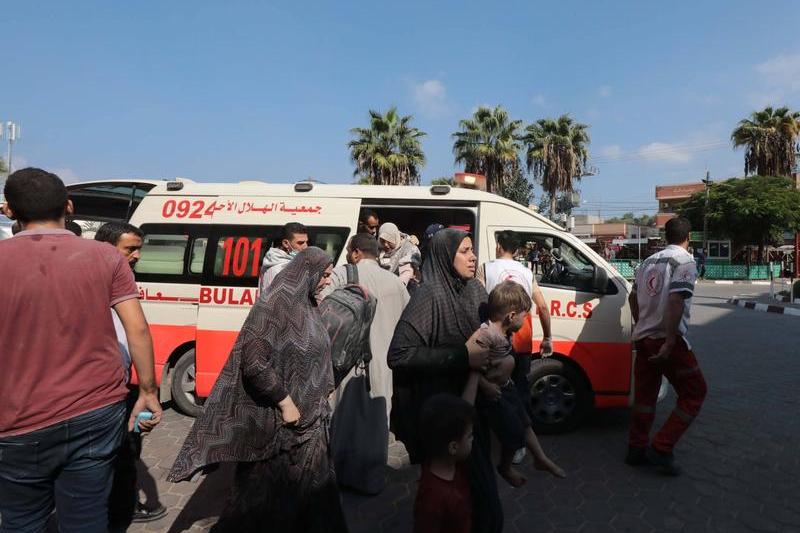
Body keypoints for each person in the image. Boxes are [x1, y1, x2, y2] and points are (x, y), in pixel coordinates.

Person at [0, 168, 162, 533]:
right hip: (95, 412)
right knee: (87, 518)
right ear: (69, 206)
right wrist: (149, 391)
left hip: (16, 420)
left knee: (21, 520)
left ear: (9, 210)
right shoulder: (106, 258)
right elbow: (137, 327)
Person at [168, 247, 347, 533]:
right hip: (279, 429)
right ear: (307, 273)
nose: (327, 281)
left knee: (315, 495)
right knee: (261, 502)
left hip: (311, 425)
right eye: (324, 275)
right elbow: (254, 362)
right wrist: (285, 402)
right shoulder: (274, 306)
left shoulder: (308, 304)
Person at [388, 228, 502, 533]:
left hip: (474, 410)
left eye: (472, 250)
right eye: (465, 251)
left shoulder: (476, 290)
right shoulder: (429, 296)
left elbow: (487, 337)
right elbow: (398, 354)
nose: (473, 256)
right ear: (443, 256)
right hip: (442, 420)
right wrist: (461, 357)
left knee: (483, 500)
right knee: (453, 505)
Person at [95, 222, 168, 527]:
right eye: (130, 249)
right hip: (103, 390)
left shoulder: (121, 280)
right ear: (106, 248)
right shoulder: (93, 282)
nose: (137, 255)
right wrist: (149, 393)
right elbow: (137, 331)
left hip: (121, 383)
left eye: (139, 248)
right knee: (121, 455)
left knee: (127, 450)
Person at [626, 216, 707, 476]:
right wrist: (671, 340)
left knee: (645, 398)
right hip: (667, 342)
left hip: (645, 339)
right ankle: (662, 447)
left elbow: (631, 296)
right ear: (689, 236)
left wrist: (641, 325)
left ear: (665, 236)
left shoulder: (648, 261)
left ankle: (636, 449)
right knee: (695, 393)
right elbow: (675, 301)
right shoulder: (685, 261)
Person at [474, 281, 565, 486]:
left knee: (525, 421)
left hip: (508, 388)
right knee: (514, 434)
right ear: (511, 316)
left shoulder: (505, 333)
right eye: (525, 316)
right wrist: (486, 385)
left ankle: (540, 458)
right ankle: (505, 467)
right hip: (496, 394)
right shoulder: (486, 335)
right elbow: (470, 365)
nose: (526, 320)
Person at [321, 233, 410, 421]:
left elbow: (321, 310)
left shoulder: (341, 274)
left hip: (346, 367)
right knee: (377, 427)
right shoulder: (397, 283)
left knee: (343, 427)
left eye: (347, 251)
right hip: (384, 370)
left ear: (355, 253)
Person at [413, 393, 476, 533]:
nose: (473, 439)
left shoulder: (452, 463)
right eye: (470, 436)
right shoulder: (433, 498)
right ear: (453, 447)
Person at [258, 222, 309, 292]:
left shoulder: (273, 260)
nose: (305, 247)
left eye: (306, 242)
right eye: (300, 243)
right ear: (285, 243)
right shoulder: (280, 269)